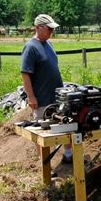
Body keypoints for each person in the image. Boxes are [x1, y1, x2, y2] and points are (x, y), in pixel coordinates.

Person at [20, 14, 72, 164]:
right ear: (38, 27)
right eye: (49, 29)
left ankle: (68, 155)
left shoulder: (49, 44)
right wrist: (31, 97)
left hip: (57, 96)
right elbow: (25, 73)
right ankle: (45, 164)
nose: (51, 32)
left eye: (52, 29)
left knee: (65, 124)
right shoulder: (30, 47)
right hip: (42, 98)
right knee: (42, 132)